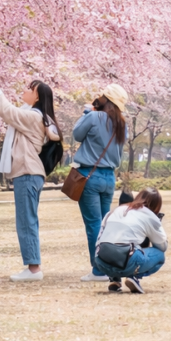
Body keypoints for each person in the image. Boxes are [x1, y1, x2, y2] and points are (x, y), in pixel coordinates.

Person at [0, 67, 61, 282]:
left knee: (26, 220)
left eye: (29, 89)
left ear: (37, 96)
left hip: (28, 172)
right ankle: (32, 266)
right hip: (29, 172)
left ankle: (34, 269)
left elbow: (9, 112)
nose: (24, 91)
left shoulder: (34, 116)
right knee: (27, 219)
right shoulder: (35, 115)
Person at [71, 84, 128, 282]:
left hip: (90, 175)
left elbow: (77, 135)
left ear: (106, 100)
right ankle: (109, 266)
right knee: (106, 224)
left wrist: (87, 112)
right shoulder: (122, 123)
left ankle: (98, 270)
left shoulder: (94, 117)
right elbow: (119, 153)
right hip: (109, 177)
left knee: (93, 224)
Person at [93, 187, 168, 293]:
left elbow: (100, 238)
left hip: (101, 262)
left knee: (119, 244)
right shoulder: (150, 216)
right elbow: (162, 247)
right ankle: (134, 277)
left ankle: (114, 278)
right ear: (157, 205)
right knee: (159, 256)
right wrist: (155, 230)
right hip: (127, 261)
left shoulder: (114, 211)